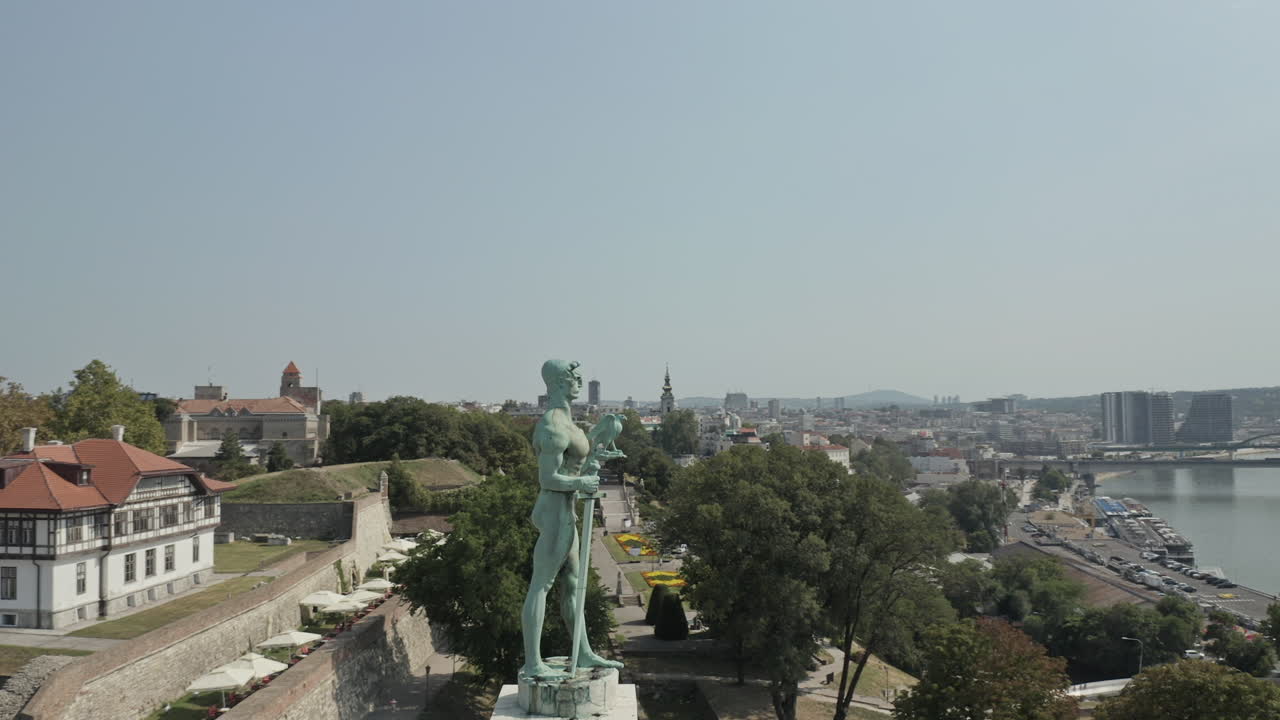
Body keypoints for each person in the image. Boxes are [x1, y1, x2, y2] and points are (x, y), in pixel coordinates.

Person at [520, 359, 624, 679]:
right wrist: (582, 482)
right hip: (554, 510)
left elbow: (574, 464)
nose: (579, 380)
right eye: (573, 375)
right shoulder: (552, 424)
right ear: (558, 382)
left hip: (567, 508)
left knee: (573, 584)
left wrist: (594, 459)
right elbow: (548, 478)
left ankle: (583, 652)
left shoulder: (568, 421)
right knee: (542, 584)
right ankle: (534, 662)